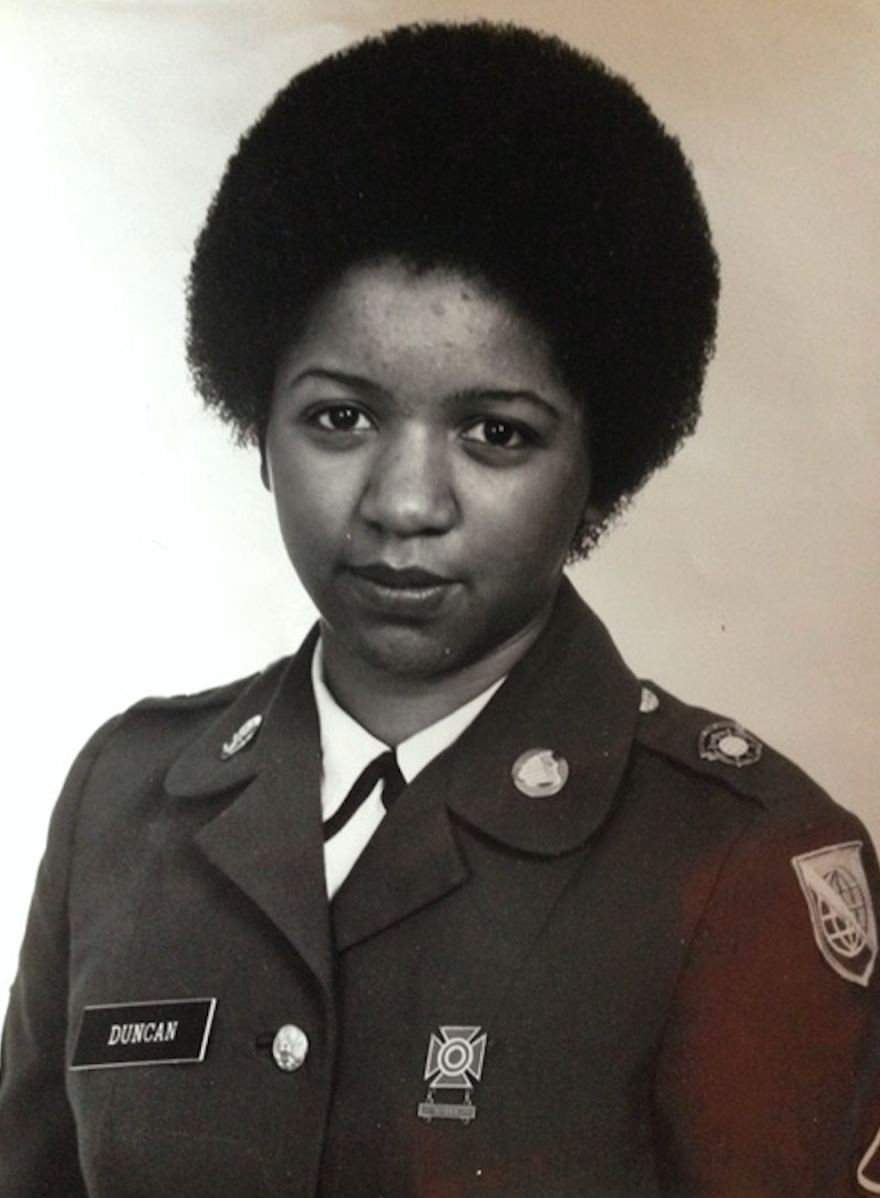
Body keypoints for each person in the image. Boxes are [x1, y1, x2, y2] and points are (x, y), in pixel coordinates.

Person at [1, 20, 878, 1198]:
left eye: (495, 433)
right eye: (340, 417)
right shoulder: (124, 800)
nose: (404, 502)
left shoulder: (742, 858)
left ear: (597, 466)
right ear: (255, 420)